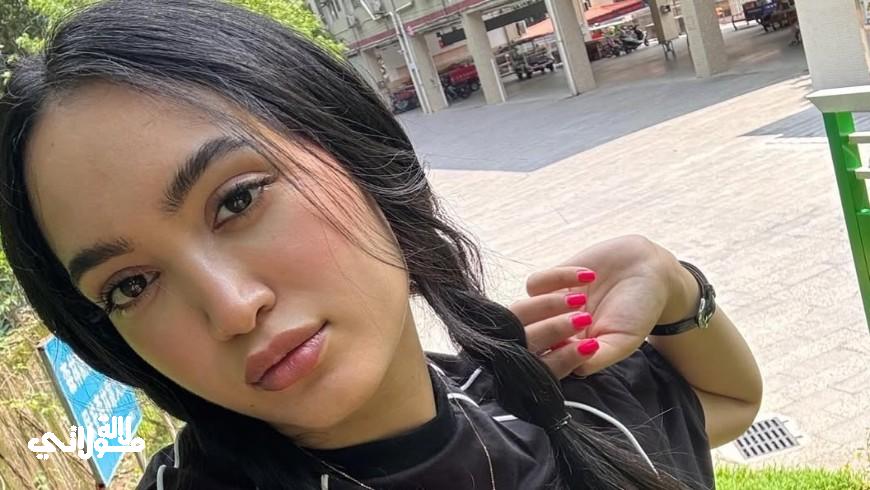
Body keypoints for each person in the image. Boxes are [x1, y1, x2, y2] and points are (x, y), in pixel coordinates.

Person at [0, 1, 762, 489]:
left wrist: (676, 288)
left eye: (236, 200)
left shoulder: (551, 401)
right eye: (130, 285)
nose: (232, 308)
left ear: (357, 154)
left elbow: (728, 402)